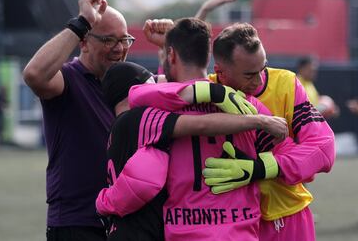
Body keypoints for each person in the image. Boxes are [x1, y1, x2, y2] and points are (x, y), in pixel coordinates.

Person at [132, 19, 335, 241]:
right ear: (221, 71)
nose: (259, 81)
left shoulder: (286, 84)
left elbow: (323, 148)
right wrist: (208, 89)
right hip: (239, 225)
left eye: (263, 68)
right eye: (249, 75)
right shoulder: (206, 88)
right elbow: (143, 92)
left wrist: (261, 168)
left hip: (286, 216)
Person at [95, 61, 288, 240]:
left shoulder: (116, 128)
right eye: (152, 83)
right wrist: (259, 121)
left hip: (119, 230)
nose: (160, 88)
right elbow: (199, 126)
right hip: (142, 233)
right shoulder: (139, 118)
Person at [22, 0, 134, 241]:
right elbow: (34, 75)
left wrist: (166, 47)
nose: (119, 48)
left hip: (122, 223)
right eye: (108, 40)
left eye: (124, 39)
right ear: (83, 42)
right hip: (77, 224)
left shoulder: (126, 84)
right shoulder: (69, 78)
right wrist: (81, 22)